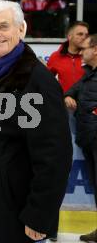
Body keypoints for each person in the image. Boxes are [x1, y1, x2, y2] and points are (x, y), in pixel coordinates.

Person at [0, 0, 72, 243]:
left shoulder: (38, 80)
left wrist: (39, 215)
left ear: (21, 29)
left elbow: (54, 156)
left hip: (19, 219)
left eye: (3, 26)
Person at [64, 34, 97, 243]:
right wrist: (68, 96)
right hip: (89, 139)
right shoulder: (87, 74)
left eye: (84, 48)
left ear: (95, 50)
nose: (81, 51)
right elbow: (69, 92)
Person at [47, 21, 89, 93]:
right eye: (80, 34)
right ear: (69, 36)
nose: (84, 37)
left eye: (86, 35)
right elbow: (46, 81)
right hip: (65, 102)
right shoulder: (56, 56)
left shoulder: (91, 56)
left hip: (88, 103)